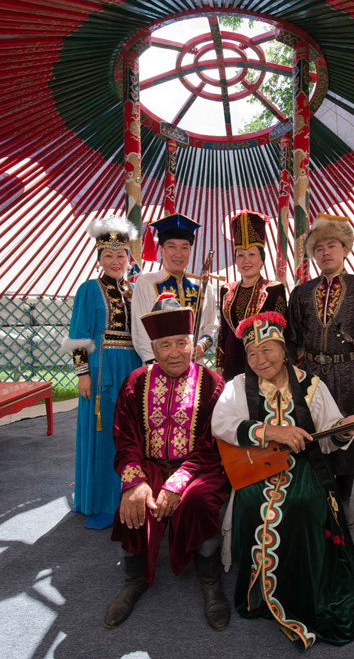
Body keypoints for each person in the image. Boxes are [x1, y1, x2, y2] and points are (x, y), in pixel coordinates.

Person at [211, 311, 354, 652]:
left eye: (267, 349)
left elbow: (330, 435)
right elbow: (221, 424)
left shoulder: (311, 385)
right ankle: (261, 587)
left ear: (284, 349)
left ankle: (298, 587)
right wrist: (270, 431)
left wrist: (346, 428)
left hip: (304, 468)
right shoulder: (238, 386)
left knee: (301, 506)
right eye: (252, 353)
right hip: (256, 467)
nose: (259, 359)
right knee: (254, 503)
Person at [104, 294, 230, 631]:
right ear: (154, 347)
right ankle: (134, 579)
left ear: (192, 344)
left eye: (182, 343)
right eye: (165, 345)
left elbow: (212, 444)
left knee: (200, 501)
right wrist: (135, 481)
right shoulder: (135, 382)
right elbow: (125, 438)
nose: (175, 352)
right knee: (135, 502)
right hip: (150, 466)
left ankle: (210, 582)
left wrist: (178, 482)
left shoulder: (213, 383)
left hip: (199, 468)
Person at [285, 214, 354, 527]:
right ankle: (316, 493)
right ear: (313, 254)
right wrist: (290, 374)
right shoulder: (301, 292)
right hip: (311, 372)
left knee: (347, 434)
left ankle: (343, 499)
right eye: (319, 248)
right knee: (314, 431)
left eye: (332, 246)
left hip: (347, 374)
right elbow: (291, 338)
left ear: (345, 250)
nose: (325, 252)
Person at [61, 217, 141, 530]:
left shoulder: (134, 291)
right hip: (101, 369)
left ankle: (128, 495)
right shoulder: (88, 290)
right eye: (108, 255)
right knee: (104, 434)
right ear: (99, 258)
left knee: (129, 434)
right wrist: (83, 373)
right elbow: (79, 334)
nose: (115, 260)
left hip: (131, 367)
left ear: (128, 258)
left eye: (121, 254)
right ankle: (102, 501)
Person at [131, 213, 217, 365]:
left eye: (184, 247)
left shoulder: (203, 286)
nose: (178, 253)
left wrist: (202, 345)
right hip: (159, 365)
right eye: (171, 247)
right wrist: (155, 364)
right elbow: (141, 331)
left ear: (190, 252)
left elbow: (212, 325)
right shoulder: (146, 283)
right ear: (162, 251)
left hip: (195, 365)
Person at [215, 210, 287, 381]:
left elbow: (282, 333)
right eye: (240, 255)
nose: (246, 260)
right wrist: (218, 365)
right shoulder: (226, 290)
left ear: (262, 259)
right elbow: (222, 333)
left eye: (252, 254)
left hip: (263, 368)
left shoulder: (274, 289)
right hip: (231, 368)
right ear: (235, 260)